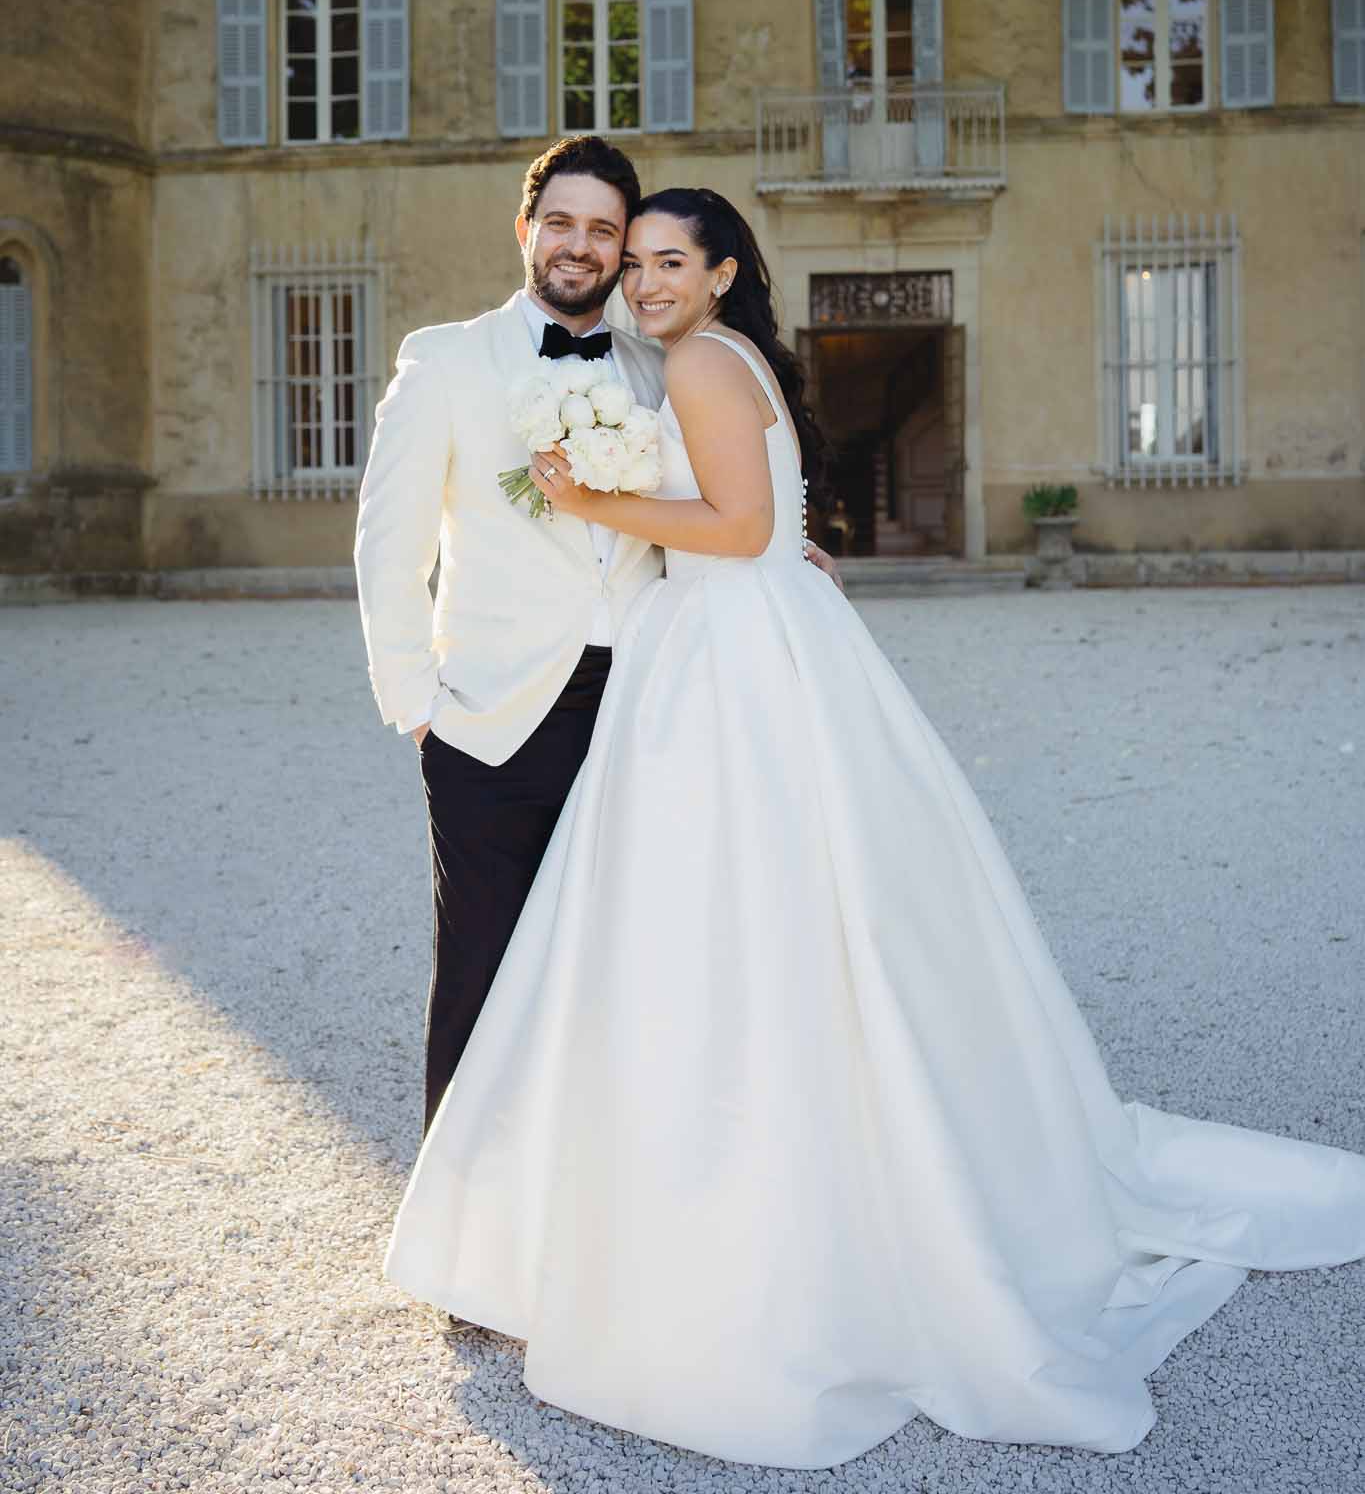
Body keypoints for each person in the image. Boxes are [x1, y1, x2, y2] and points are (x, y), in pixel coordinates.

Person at [382, 185, 1365, 1467]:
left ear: (725, 271)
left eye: (672, 260)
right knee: (729, 918)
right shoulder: (675, 356)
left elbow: (733, 526)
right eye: (641, 261)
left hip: (724, 657)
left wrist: (591, 497)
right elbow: (743, 524)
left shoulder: (694, 360)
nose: (646, 279)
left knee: (737, 915)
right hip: (704, 646)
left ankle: (754, 1202)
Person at [354, 141, 839, 1138]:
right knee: (484, 966)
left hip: (647, 704)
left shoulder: (659, 357)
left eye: (605, 232)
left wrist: (790, 544)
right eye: (563, 223)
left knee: (623, 966)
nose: (583, 245)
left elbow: (715, 492)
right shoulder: (445, 360)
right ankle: (465, 1221)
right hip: (495, 717)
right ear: (527, 230)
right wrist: (420, 712)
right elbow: (386, 550)